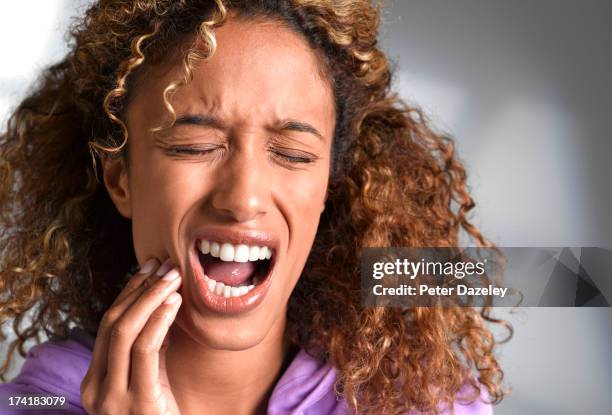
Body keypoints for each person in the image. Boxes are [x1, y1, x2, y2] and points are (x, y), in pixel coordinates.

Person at [0, 1, 510, 413]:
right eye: (195, 146)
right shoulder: (33, 400)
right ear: (121, 178)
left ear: (329, 186)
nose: (243, 199)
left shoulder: (423, 403)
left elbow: (577, 279)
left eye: (293, 155)